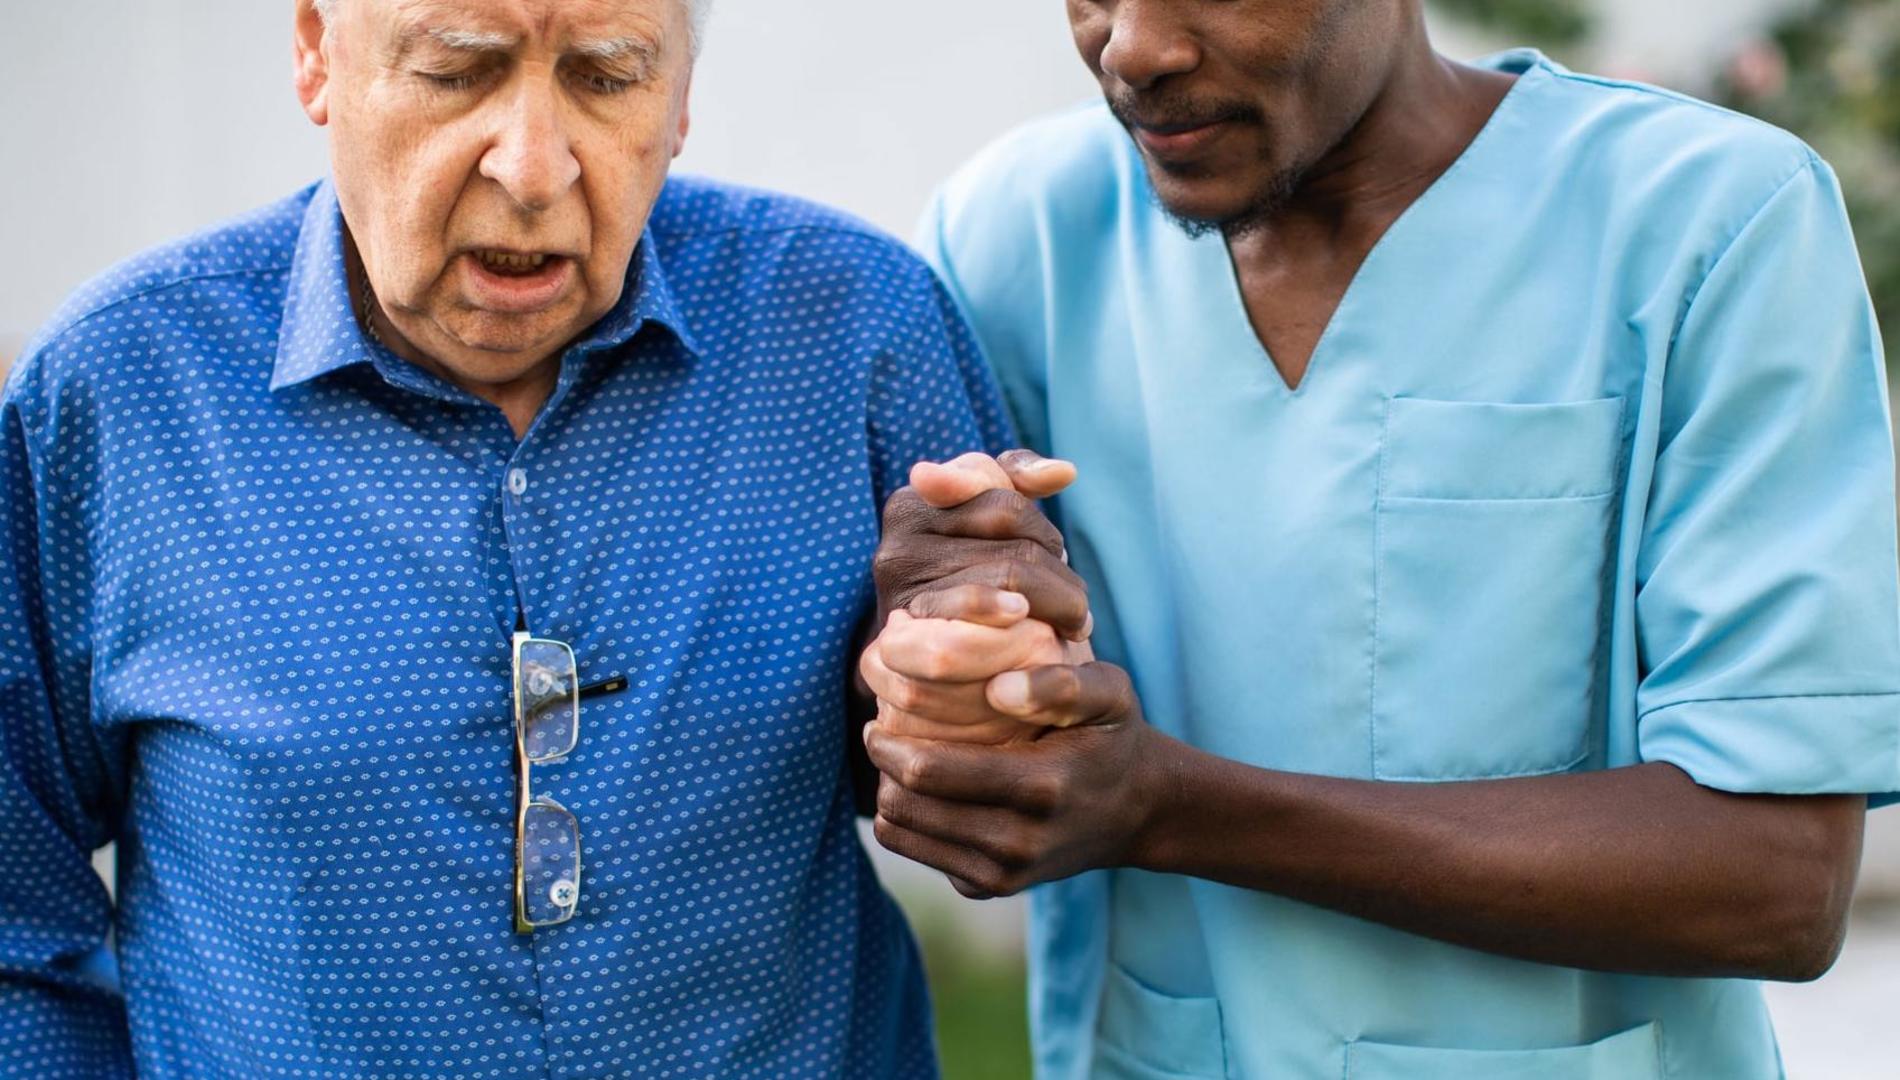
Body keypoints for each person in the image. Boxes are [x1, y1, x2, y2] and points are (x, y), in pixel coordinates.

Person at [858, 1, 1900, 1077]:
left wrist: (1164, 807)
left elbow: (1777, 882)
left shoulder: (1710, 222)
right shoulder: (1016, 232)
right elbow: (906, 725)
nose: (1132, 48)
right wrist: (948, 641)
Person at [0, 1, 1014, 1076]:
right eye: (456, 71)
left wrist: (979, 709)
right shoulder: (118, 393)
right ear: (316, 55)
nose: (534, 171)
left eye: (607, 75)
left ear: (679, 96)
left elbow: (1010, 773)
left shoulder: (853, 329)